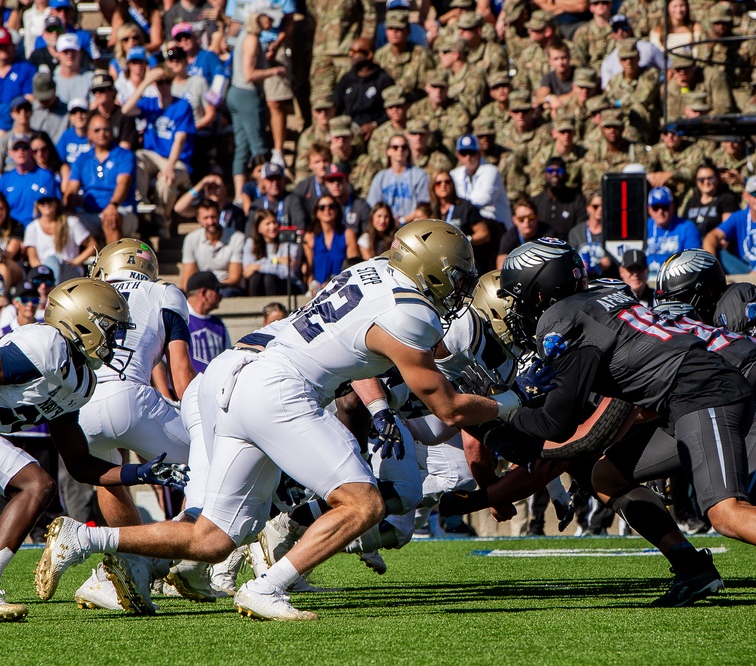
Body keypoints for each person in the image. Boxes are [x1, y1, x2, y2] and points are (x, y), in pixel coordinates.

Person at [36, 220, 555, 621]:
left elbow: (406, 342)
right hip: (280, 390)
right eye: (456, 275)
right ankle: (267, 586)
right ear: (431, 269)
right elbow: (449, 408)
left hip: (241, 377)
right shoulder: (409, 311)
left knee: (213, 538)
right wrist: (514, 399)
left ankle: (86, 539)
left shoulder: (371, 272)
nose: (459, 286)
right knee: (363, 501)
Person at [496, 239, 756, 609]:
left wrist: (506, 417)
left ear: (540, 288)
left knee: (726, 511)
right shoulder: (600, 294)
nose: (518, 307)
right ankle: (690, 566)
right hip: (687, 396)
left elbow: (557, 420)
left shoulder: (561, 317)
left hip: (703, 392)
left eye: (519, 295)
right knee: (606, 476)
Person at [0, 277, 187, 621]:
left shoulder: (83, 381)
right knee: (35, 485)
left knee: (36, 485)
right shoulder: (46, 345)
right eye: (109, 328)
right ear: (82, 322)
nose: (115, 338)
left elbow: (81, 465)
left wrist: (140, 472)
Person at [72, 240, 195, 611]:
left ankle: (128, 565)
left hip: (82, 407)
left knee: (109, 476)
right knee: (215, 457)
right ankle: (182, 560)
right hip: (132, 397)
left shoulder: (87, 290)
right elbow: (181, 372)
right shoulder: (165, 292)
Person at [122, 66, 195, 234]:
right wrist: (146, 82)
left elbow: (180, 139)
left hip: (178, 161)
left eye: (167, 82)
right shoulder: (150, 103)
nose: (163, 86)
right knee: (137, 156)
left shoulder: (182, 106)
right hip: (153, 157)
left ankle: (163, 221)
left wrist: (170, 166)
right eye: (160, 83)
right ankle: (141, 201)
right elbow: (126, 110)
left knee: (166, 181)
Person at [64, 113, 138, 244]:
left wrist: (113, 205)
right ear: (89, 134)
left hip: (121, 210)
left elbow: (123, 183)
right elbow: (72, 188)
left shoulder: (124, 155)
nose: (102, 133)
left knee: (110, 218)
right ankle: (84, 259)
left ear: (112, 132)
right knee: (65, 222)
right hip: (90, 213)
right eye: (97, 130)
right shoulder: (82, 158)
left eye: (106, 129)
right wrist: (67, 207)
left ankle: (111, 263)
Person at [703, 175, 756, 274]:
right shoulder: (738, 216)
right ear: (746, 196)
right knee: (716, 249)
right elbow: (711, 237)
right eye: (754, 194)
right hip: (742, 270)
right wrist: (712, 267)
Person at [429, 167, 495, 271]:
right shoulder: (431, 211)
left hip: (465, 262)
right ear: (433, 187)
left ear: (453, 185)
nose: (443, 185)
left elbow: (484, 233)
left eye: (447, 182)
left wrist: (466, 241)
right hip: (440, 264)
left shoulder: (465, 207)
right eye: (438, 183)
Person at [23, 195, 96, 283]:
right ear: (37, 205)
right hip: (45, 274)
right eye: (42, 202)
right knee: (51, 262)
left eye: (49, 201)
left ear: (56, 202)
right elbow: (33, 259)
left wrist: (75, 262)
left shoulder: (71, 222)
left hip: (69, 270)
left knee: (55, 262)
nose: (46, 204)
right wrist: (44, 271)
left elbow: (92, 245)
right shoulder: (32, 227)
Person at [180, 199, 245, 297]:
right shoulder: (191, 239)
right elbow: (187, 278)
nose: (210, 221)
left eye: (213, 217)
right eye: (206, 218)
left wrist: (213, 288)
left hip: (226, 287)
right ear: (198, 219)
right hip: (201, 288)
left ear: (219, 215)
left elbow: (234, 278)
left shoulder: (236, 238)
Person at [0, 133, 58, 228]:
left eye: (25, 147)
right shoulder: (4, 179)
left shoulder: (46, 176)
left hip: (37, 229)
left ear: (31, 151)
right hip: (12, 229)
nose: (20, 150)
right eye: (16, 147)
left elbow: (54, 207)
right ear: (10, 153)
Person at [334, 37, 393, 139]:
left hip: (376, 131)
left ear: (369, 55)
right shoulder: (347, 79)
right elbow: (336, 108)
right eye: (350, 50)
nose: (350, 54)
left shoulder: (383, 80)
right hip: (349, 132)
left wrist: (374, 124)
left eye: (354, 51)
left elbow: (391, 111)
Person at [450, 134, 511, 231]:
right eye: (463, 153)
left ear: (479, 153)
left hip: (497, 225)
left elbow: (483, 199)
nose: (468, 157)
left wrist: (460, 208)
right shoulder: (454, 174)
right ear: (458, 155)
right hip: (468, 221)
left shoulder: (491, 170)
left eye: (472, 153)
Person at [366, 133, 430, 224]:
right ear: (388, 151)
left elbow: (424, 207)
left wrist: (402, 220)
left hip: (412, 226)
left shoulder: (420, 176)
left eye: (403, 147)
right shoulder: (380, 177)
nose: (400, 150)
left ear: (408, 151)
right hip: (385, 226)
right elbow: (373, 206)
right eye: (395, 147)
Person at [303, 195, 359, 291]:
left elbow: (353, 266)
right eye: (322, 207)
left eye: (331, 206)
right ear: (316, 212)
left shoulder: (347, 234)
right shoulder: (310, 236)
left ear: (337, 210)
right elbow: (308, 271)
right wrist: (312, 287)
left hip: (342, 288)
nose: (327, 210)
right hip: (317, 290)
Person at [644, 185, 702, 277]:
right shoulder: (644, 227)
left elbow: (693, 262)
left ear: (672, 207)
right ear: (649, 209)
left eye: (665, 207)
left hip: (674, 280)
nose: (660, 211)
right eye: (656, 207)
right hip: (646, 280)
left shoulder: (687, 227)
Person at [243, 209, 302, 296]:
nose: (272, 227)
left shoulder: (287, 242)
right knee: (255, 278)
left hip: (289, 285)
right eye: (268, 224)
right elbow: (248, 268)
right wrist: (278, 260)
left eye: (274, 222)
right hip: (261, 284)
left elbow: (287, 272)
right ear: (258, 228)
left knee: (269, 279)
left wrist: (258, 266)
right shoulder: (251, 243)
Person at [183, 270, 231, 373]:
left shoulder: (219, 325)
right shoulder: (179, 319)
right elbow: (161, 363)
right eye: (218, 290)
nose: (221, 296)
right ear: (203, 292)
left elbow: (228, 360)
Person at [533, 156, 587, 240]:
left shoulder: (577, 201)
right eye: (550, 171)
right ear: (544, 175)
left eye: (559, 171)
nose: (555, 174)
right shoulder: (535, 202)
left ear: (566, 175)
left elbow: (581, 233)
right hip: (540, 249)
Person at [683, 163, 739, 235]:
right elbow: (684, 228)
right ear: (696, 181)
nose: (706, 182)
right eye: (701, 179)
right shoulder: (692, 202)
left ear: (717, 179)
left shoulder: (726, 199)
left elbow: (727, 230)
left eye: (710, 178)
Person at [568, 191, 613, 279]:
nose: (600, 210)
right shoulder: (576, 232)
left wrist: (609, 261)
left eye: (603, 206)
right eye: (595, 206)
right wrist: (579, 263)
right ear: (588, 208)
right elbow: (570, 258)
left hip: (605, 279)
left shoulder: (611, 232)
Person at [496, 198, 551, 268]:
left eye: (531, 217)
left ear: (537, 217)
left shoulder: (548, 233)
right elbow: (501, 260)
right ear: (514, 220)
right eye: (521, 219)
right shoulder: (509, 237)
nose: (527, 221)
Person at [325, 162, 371, 236]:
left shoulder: (361, 206)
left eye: (339, 179)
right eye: (331, 180)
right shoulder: (323, 207)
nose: (336, 184)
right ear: (326, 183)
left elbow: (367, 236)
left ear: (346, 180)